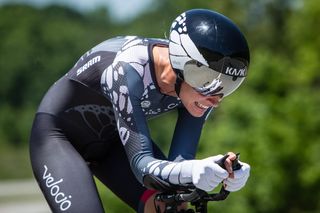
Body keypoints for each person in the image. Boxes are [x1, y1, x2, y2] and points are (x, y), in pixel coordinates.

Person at [29, 8, 251, 213]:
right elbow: (142, 167)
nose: (216, 98)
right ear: (184, 66)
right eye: (210, 82)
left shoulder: (198, 87)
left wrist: (224, 170)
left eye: (228, 85)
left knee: (172, 206)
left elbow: (179, 166)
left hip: (115, 144)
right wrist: (193, 171)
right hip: (59, 137)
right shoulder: (130, 67)